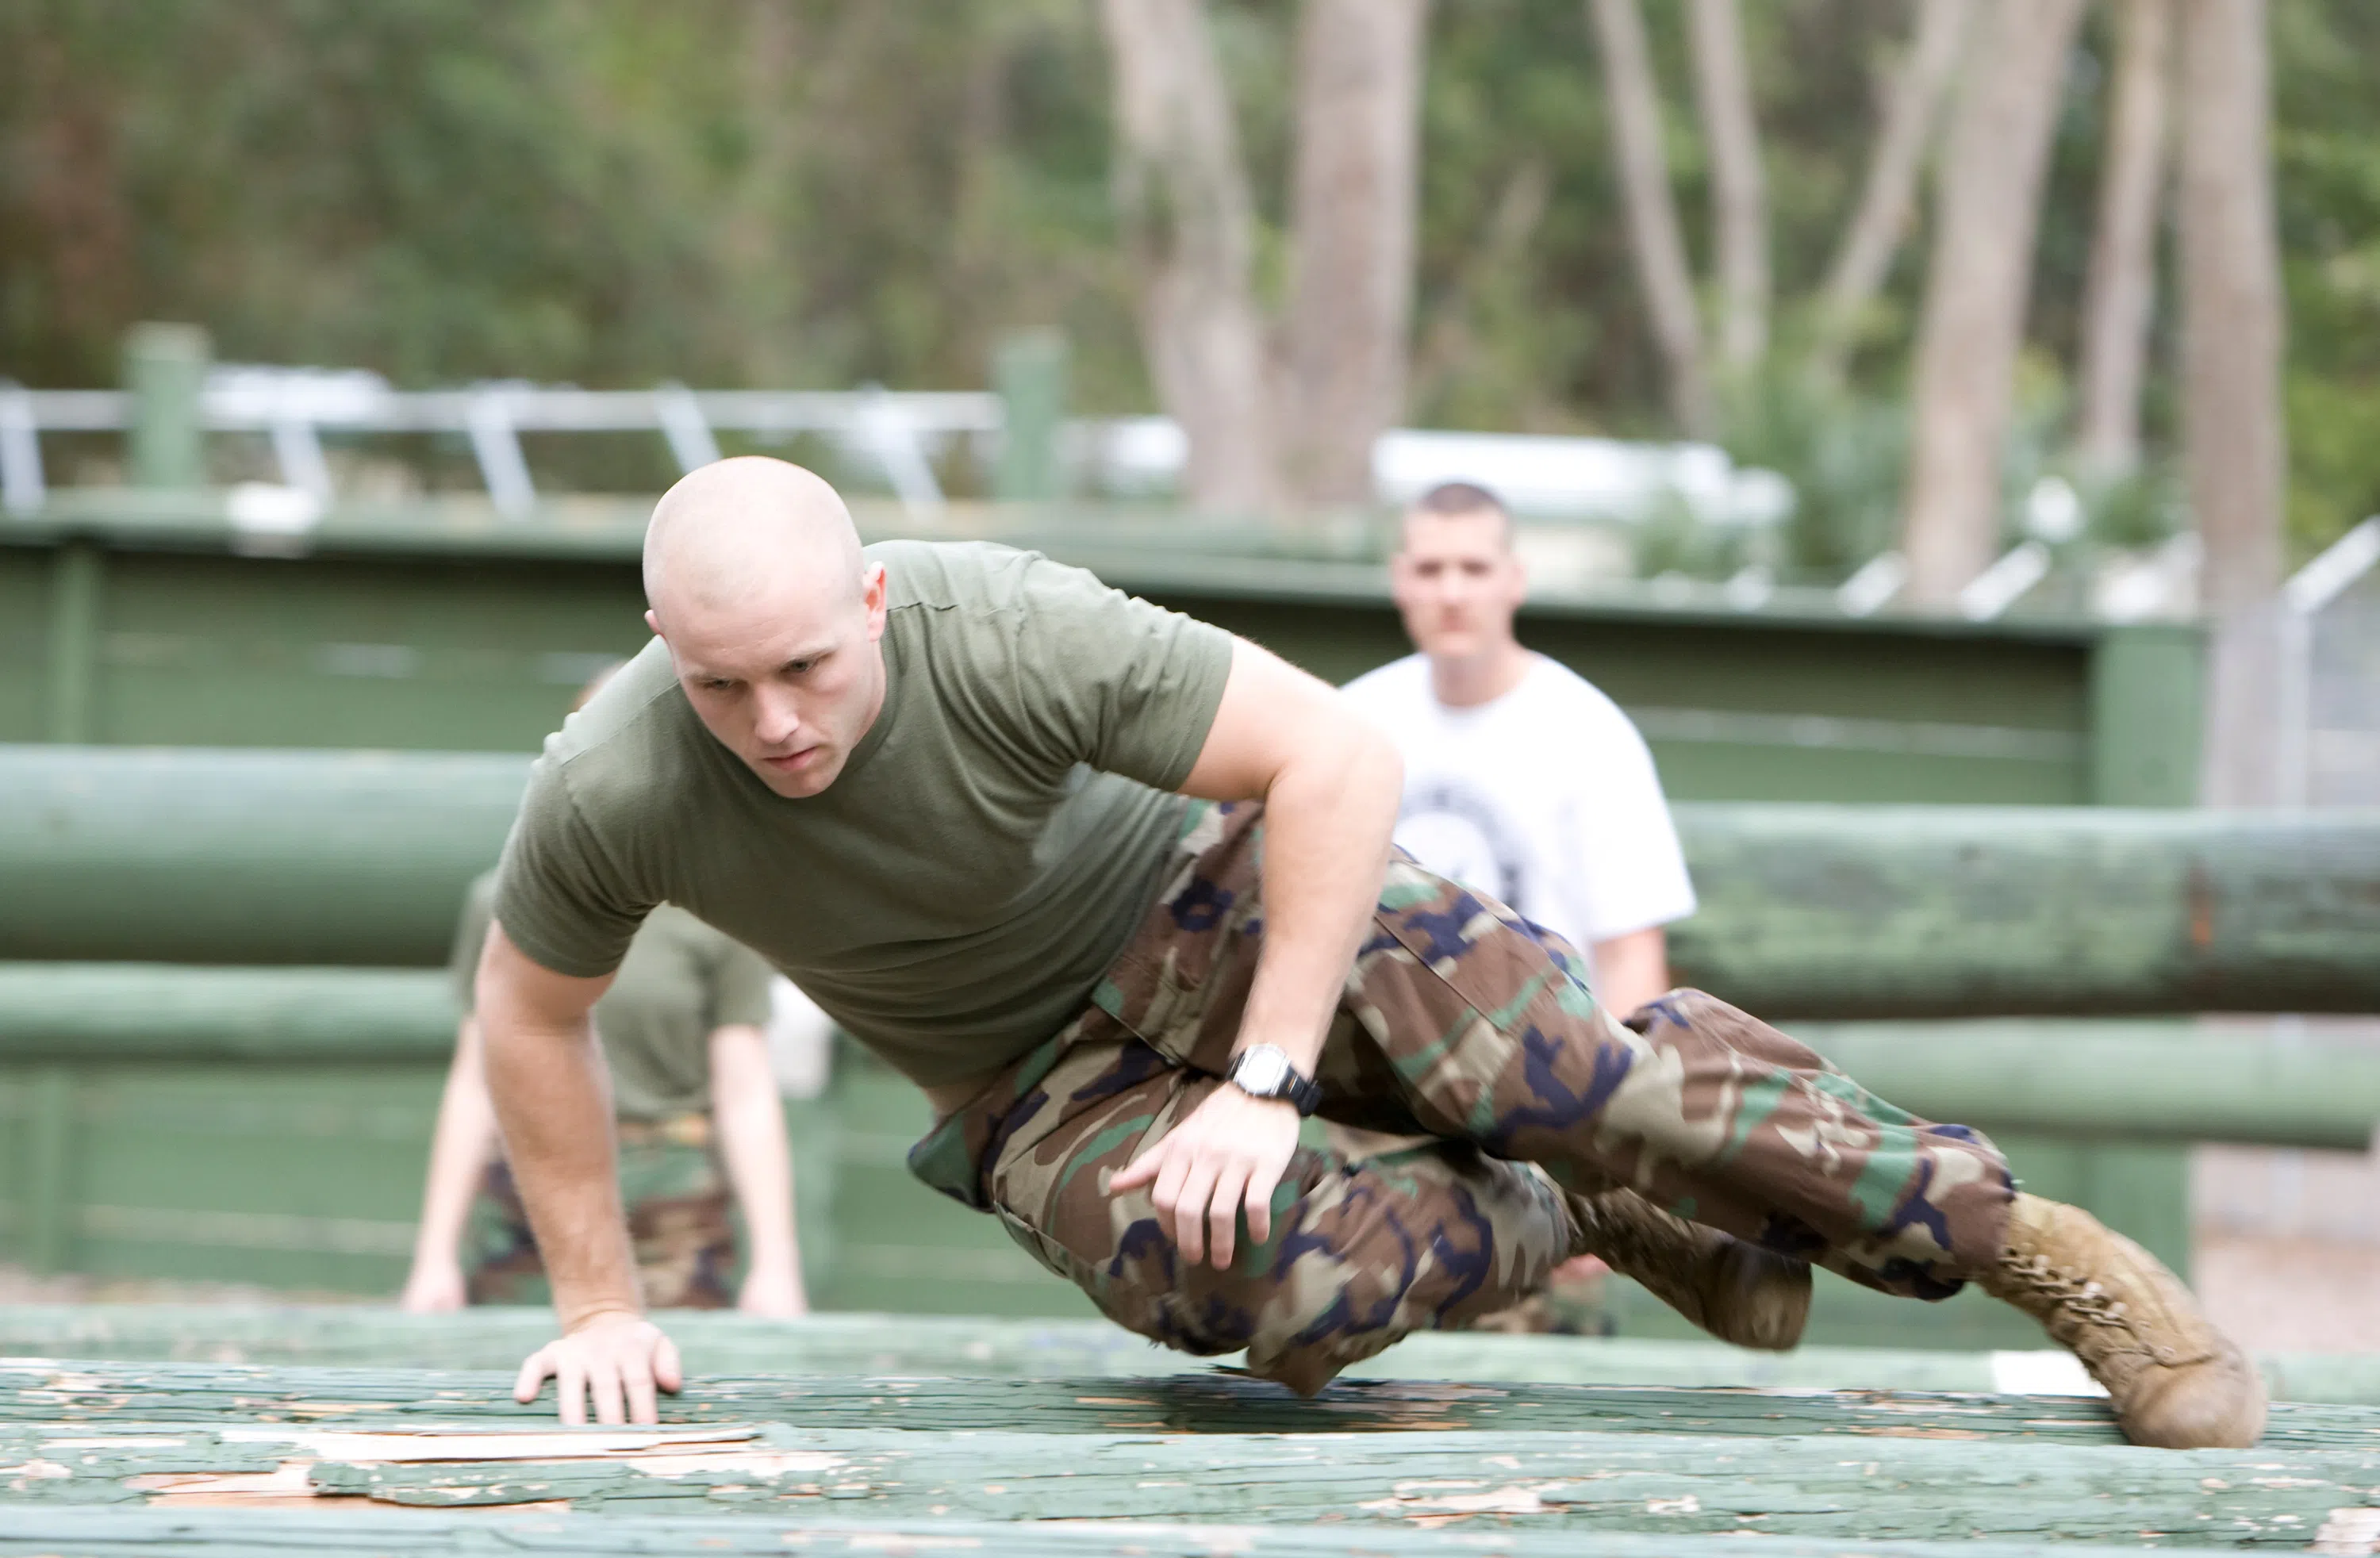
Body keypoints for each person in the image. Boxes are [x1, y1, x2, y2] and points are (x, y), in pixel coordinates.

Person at [474, 455, 2262, 1449]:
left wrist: (1264, 1070)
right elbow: (530, 1013)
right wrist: (598, 1300)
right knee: (1262, 1305)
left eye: (808, 665)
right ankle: (1585, 1212)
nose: (776, 722)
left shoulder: (993, 622)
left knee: (1562, 1074)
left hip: (1211, 905)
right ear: (658, 647)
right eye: (724, 685)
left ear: (874, 600)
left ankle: (2029, 1247)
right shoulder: (617, 778)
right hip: (1032, 1083)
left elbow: (1331, 754)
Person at [399, 677, 808, 1318]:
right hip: (531, 1193)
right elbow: (475, 1083)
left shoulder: (723, 912)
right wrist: (434, 1258)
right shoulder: (507, 900)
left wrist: (778, 1267)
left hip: (673, 1196)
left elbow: (746, 1093)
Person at [1343, 481, 1691, 1020]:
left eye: (1475, 569)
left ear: (1514, 580)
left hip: (1545, 1067)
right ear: (1400, 580)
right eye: (1431, 570)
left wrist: (1618, 1097)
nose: (1453, 593)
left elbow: (1630, 959)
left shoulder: (1591, 733)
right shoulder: (1351, 720)